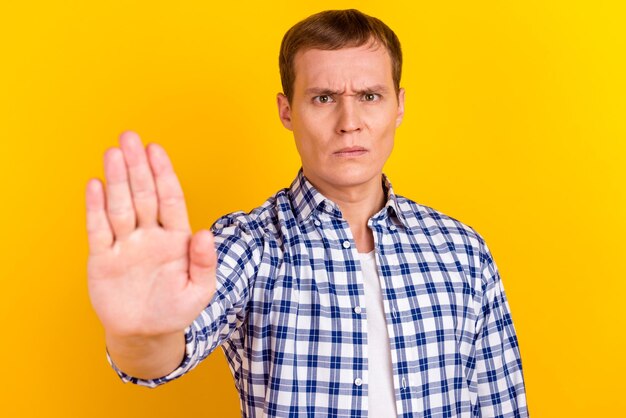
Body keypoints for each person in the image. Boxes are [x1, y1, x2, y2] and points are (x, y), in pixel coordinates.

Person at [86, 9, 528, 418]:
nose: (349, 121)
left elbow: (501, 403)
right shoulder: (249, 245)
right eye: (322, 98)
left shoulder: (462, 251)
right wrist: (139, 334)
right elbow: (159, 357)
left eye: (371, 95)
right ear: (287, 111)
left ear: (400, 106)